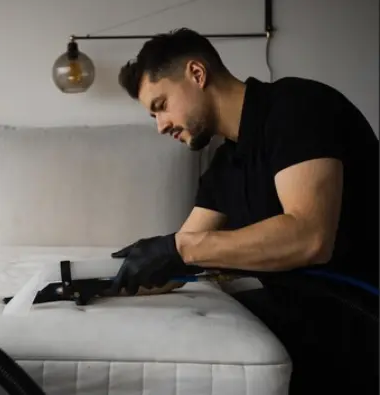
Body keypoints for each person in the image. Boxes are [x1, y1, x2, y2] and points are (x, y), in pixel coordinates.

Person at [111, 27, 379, 394]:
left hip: (361, 312)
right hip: (304, 313)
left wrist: (179, 249)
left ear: (197, 73)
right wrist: (100, 286)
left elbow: (310, 236)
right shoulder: (226, 164)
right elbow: (176, 262)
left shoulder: (297, 107)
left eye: (160, 106)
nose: (160, 126)